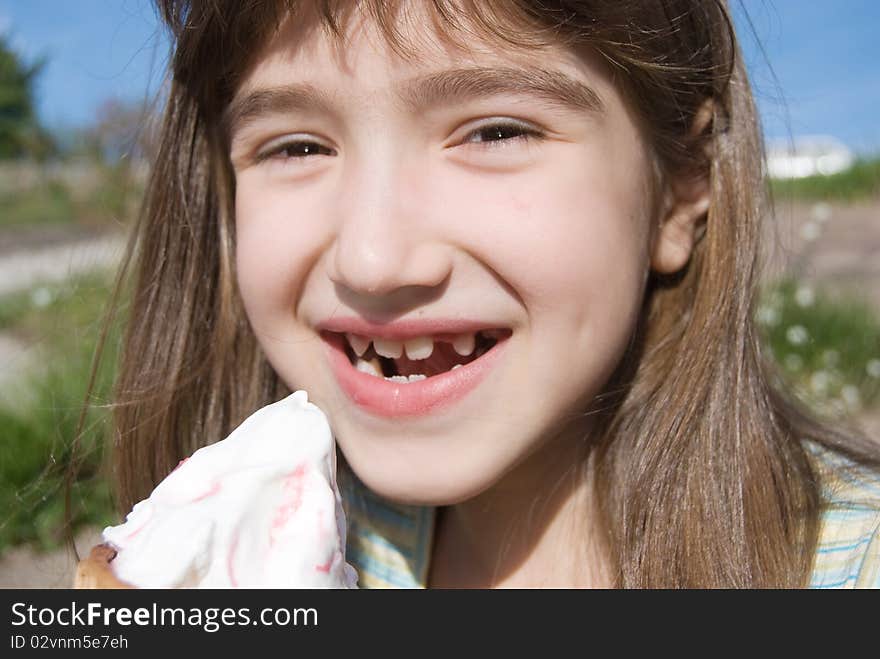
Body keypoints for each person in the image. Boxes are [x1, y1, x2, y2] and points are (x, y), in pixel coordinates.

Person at [88, 0, 880, 588]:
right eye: (296, 145)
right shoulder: (246, 551)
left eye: (496, 131)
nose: (374, 258)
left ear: (680, 188)